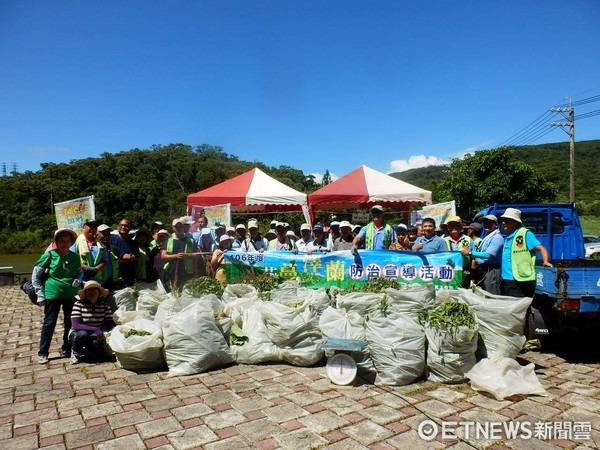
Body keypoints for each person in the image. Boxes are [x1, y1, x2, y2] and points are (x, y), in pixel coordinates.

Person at [32, 228, 83, 364]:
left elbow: (79, 272)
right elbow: (36, 275)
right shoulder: (49, 255)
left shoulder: (74, 256)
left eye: (68, 241)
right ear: (56, 242)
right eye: (62, 241)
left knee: (70, 323)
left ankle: (67, 347)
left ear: (71, 243)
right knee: (49, 323)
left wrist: (78, 279)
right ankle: (43, 352)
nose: (65, 243)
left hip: (70, 295)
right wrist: (40, 294)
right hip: (52, 295)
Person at [500, 208, 553, 297]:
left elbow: (541, 248)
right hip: (507, 278)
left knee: (518, 307)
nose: (503, 222)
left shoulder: (525, 234)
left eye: (507, 220)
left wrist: (546, 261)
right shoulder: (509, 236)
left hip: (519, 279)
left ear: (515, 222)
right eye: (503, 220)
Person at [69, 280, 116, 364]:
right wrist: (95, 329)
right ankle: (75, 351)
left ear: (99, 293)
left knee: (96, 346)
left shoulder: (104, 306)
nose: (92, 292)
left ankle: (89, 348)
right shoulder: (78, 304)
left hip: (95, 334)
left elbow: (110, 322)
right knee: (83, 334)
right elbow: (76, 325)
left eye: (95, 290)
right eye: (89, 291)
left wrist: (118, 330)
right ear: (85, 293)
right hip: (78, 333)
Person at [465, 214, 504, 294]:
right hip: (484, 269)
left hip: (491, 269)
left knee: (491, 293)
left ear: (496, 225)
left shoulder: (497, 237)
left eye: (489, 222)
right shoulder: (488, 236)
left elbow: (488, 255)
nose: (486, 224)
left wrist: (470, 252)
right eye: (485, 222)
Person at [162, 218, 201, 291]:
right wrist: (175, 256)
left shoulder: (190, 240)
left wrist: (187, 256)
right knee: (172, 293)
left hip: (187, 272)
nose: (179, 228)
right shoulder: (168, 241)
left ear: (183, 227)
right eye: (177, 226)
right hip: (171, 272)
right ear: (173, 228)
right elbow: (163, 256)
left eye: (180, 226)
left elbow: (197, 255)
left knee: (186, 294)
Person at [74, 219, 108, 284]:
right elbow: (72, 259)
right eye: (90, 226)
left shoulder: (100, 243)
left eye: (95, 227)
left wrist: (96, 269)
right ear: (83, 228)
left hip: (98, 280)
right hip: (81, 281)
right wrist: (86, 268)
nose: (93, 228)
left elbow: (105, 260)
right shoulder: (76, 242)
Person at [444, 216, 474, 288]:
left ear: (461, 227)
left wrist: (473, 275)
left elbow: (474, 258)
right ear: (448, 228)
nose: (453, 228)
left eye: (456, 225)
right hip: (448, 271)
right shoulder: (443, 241)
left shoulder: (468, 240)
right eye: (451, 226)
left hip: (464, 271)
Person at [109, 218, 139, 286]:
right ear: (117, 227)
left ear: (130, 228)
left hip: (128, 275)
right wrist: (124, 256)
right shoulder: (111, 239)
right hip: (113, 274)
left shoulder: (133, 243)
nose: (123, 227)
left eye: (126, 226)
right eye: (121, 225)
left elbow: (137, 260)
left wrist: (136, 274)